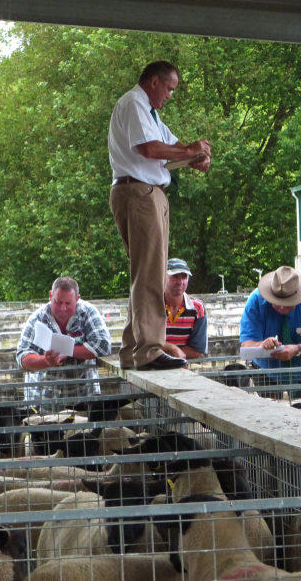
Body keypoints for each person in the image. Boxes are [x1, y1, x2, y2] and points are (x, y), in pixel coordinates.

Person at [108, 60, 211, 371]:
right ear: (153, 82)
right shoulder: (134, 103)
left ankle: (132, 349)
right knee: (152, 274)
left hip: (148, 192)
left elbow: (171, 146)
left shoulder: (151, 113)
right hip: (139, 192)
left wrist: (195, 156)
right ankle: (150, 350)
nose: (170, 95)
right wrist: (191, 152)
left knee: (145, 273)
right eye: (169, 88)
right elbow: (151, 149)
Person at [16, 277, 112, 410]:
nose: (62, 308)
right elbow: (22, 356)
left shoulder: (88, 312)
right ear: (50, 295)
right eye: (58, 302)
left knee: (84, 430)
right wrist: (46, 360)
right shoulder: (37, 318)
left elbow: (104, 345)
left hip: (84, 399)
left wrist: (67, 349)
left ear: (77, 299)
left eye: (68, 303)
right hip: (42, 402)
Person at [240, 266, 301, 399]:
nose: (282, 307)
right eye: (276, 302)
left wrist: (297, 349)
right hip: (265, 372)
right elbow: (246, 345)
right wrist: (263, 345)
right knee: (268, 415)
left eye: (288, 303)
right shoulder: (255, 300)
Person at [163, 258, 208, 360]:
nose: (180, 282)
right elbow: (146, 343)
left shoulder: (198, 308)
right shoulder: (152, 306)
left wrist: (161, 351)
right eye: (175, 276)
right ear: (163, 277)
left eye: (184, 277)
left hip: (182, 370)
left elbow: (197, 350)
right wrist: (173, 349)